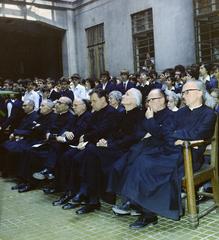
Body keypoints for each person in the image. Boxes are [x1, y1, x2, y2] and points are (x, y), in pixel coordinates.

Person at [110, 80, 216, 229]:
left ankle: (147, 213)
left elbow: (199, 133)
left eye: (187, 91)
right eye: (183, 92)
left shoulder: (209, 113)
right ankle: (145, 210)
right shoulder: (180, 112)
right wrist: (177, 136)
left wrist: (178, 136)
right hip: (171, 150)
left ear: (199, 92)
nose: (184, 95)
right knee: (141, 160)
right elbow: (166, 132)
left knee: (149, 165)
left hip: (190, 154)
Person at [64, 88, 144, 213]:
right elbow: (114, 133)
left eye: (127, 94)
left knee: (90, 152)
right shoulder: (122, 113)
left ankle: (90, 197)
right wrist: (106, 142)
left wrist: (110, 144)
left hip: (127, 150)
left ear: (135, 100)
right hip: (115, 147)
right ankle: (90, 198)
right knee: (89, 154)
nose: (123, 95)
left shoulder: (139, 114)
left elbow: (133, 137)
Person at [51, 89, 119, 207]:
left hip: (103, 146)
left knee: (78, 159)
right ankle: (72, 192)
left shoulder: (111, 112)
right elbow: (88, 128)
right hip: (91, 144)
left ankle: (86, 196)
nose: (91, 104)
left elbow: (102, 131)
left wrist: (86, 138)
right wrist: (84, 137)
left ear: (103, 99)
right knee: (68, 156)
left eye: (94, 101)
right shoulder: (95, 113)